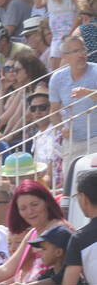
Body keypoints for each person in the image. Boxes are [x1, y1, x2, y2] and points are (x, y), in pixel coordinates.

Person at [49, 36, 97, 180]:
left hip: (95, 138)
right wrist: (60, 128)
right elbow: (53, 111)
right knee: (72, 184)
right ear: (65, 56)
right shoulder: (57, 78)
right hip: (72, 141)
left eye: (83, 49)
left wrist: (89, 94)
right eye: (76, 51)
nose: (82, 54)